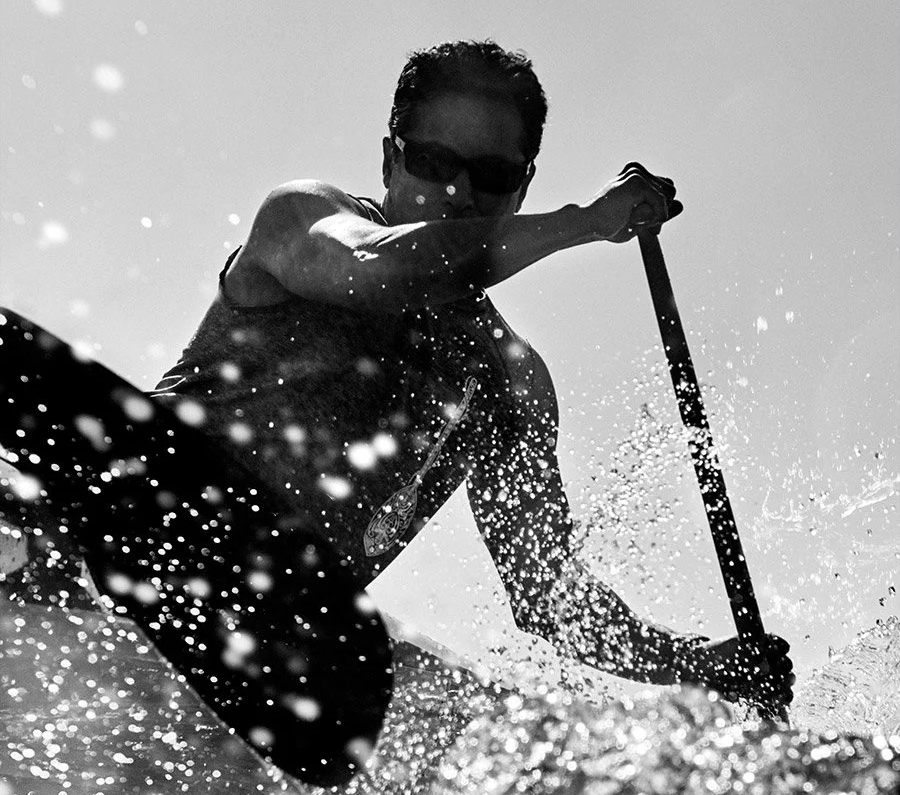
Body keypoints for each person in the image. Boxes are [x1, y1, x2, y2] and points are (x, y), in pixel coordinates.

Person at [148, 39, 792, 712]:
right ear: (391, 159)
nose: (457, 192)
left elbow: (547, 594)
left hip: (264, 638)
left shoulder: (509, 380)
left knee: (474, 718)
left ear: (522, 186)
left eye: (490, 175)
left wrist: (703, 664)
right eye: (433, 163)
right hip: (135, 517)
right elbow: (381, 270)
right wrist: (583, 224)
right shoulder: (302, 218)